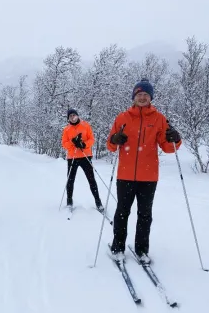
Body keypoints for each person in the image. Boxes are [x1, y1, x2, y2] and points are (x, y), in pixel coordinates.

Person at [106, 79, 182, 264]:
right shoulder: (122, 118)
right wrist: (115, 139)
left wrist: (176, 139)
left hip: (148, 176)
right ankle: (118, 247)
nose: (142, 97)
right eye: (139, 94)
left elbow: (167, 147)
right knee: (122, 212)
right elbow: (110, 146)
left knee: (145, 214)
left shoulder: (159, 119)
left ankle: (141, 250)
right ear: (134, 97)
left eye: (145, 95)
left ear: (150, 98)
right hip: (125, 175)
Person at [61, 109, 104, 212]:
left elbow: (92, 139)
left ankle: (98, 202)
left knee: (91, 179)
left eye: (74, 115)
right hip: (73, 157)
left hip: (85, 156)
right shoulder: (67, 129)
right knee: (70, 180)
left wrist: (83, 144)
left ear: (77, 115)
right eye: (70, 116)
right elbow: (64, 143)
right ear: (68, 118)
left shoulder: (85, 125)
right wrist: (73, 143)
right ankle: (69, 201)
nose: (72, 117)